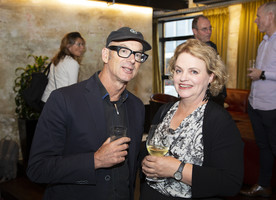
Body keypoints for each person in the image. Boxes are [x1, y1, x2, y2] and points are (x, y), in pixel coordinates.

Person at [27, 27, 151, 200]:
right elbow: (38, 169)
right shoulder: (64, 99)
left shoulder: (136, 106)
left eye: (138, 55)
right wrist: (95, 160)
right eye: (124, 51)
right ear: (105, 55)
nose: (132, 60)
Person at [140, 39, 244, 200]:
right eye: (179, 70)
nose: (183, 78)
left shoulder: (219, 120)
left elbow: (230, 183)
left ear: (211, 77)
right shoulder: (164, 110)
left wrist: (177, 169)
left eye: (194, 72)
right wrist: (147, 163)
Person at [240, 2, 276, 198]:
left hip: (272, 106)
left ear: (270, 16)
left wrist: (262, 74)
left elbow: (266, 74)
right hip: (256, 105)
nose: (255, 20)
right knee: (264, 147)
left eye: (258, 16)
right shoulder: (263, 42)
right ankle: (264, 186)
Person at [192, 15, 227, 107]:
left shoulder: (212, 46)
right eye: (204, 29)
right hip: (197, 97)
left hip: (216, 96)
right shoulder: (188, 49)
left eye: (210, 28)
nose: (209, 32)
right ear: (195, 31)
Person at [41, 32, 86, 103]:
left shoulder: (56, 59)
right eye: (79, 44)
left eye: (82, 44)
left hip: (46, 100)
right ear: (68, 46)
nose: (82, 47)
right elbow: (73, 89)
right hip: (58, 102)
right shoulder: (72, 63)